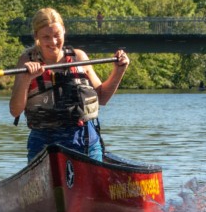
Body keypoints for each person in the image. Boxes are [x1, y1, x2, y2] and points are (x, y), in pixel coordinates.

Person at [9, 8, 130, 162]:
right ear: (36, 36)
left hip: (84, 141)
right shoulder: (26, 61)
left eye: (57, 35)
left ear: (64, 31)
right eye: (46, 37)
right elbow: (15, 110)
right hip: (43, 143)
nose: (53, 42)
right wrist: (27, 78)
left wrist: (119, 70)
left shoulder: (79, 57)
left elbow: (103, 97)